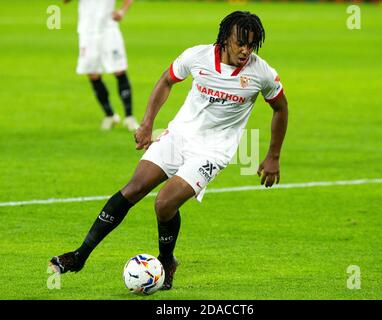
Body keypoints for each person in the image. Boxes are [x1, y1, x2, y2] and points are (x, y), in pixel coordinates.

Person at [49, 11, 288, 290]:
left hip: (212, 151)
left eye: (252, 44)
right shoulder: (197, 56)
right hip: (178, 136)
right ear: (225, 39)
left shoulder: (262, 73)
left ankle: (166, 261)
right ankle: (79, 256)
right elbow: (166, 80)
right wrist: (148, 123)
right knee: (133, 188)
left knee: (164, 203)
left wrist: (273, 156)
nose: (246, 50)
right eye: (240, 43)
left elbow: (281, 108)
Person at [64, 0, 139, 131]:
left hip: (108, 29)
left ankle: (129, 117)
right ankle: (110, 115)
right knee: (92, 73)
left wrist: (122, 11)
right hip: (87, 31)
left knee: (119, 70)